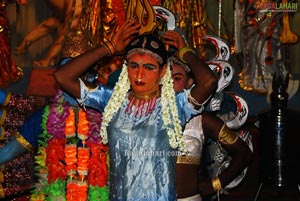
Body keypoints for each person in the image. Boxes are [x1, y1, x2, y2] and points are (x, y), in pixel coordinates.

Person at [54, 18, 218, 200]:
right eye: (134, 66)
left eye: (149, 67)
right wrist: (109, 47)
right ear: (126, 68)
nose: (140, 75)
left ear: (162, 72)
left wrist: (185, 51)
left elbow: (208, 82)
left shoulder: (175, 105)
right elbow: (63, 76)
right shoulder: (111, 100)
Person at [169, 56, 252, 200]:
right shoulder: (140, 115)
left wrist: (216, 183)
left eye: (176, 78)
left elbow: (243, 152)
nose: (168, 84)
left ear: (190, 83)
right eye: (164, 78)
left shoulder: (201, 120)